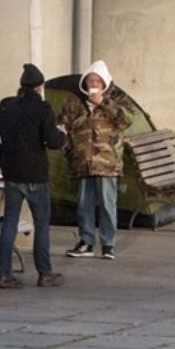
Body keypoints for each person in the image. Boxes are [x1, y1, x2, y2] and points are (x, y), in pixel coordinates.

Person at [0, 63, 66, 288]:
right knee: (41, 224)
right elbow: (54, 142)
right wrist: (63, 134)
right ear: (39, 87)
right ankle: (45, 273)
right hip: (37, 175)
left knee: (9, 223)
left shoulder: (6, 106)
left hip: (12, 174)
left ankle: (3, 275)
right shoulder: (43, 109)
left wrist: (2, 159)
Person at [62, 60, 134, 261]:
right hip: (81, 160)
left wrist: (103, 102)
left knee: (107, 204)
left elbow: (126, 120)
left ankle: (108, 243)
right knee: (84, 204)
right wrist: (69, 149)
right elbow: (63, 126)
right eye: (90, 80)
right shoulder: (74, 101)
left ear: (105, 83)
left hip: (107, 162)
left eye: (97, 81)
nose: (93, 84)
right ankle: (86, 241)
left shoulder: (118, 99)